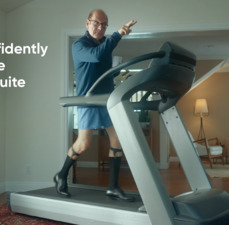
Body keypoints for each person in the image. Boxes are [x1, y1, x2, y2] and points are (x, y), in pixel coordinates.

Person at [54, 9, 137, 201]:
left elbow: (102, 71)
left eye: (104, 24)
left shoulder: (104, 44)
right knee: (84, 143)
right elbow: (96, 56)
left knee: (117, 139)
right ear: (87, 23)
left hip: (106, 100)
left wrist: (117, 71)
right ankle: (61, 175)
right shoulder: (79, 45)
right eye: (97, 23)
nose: (101, 27)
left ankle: (113, 187)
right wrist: (118, 35)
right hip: (88, 100)